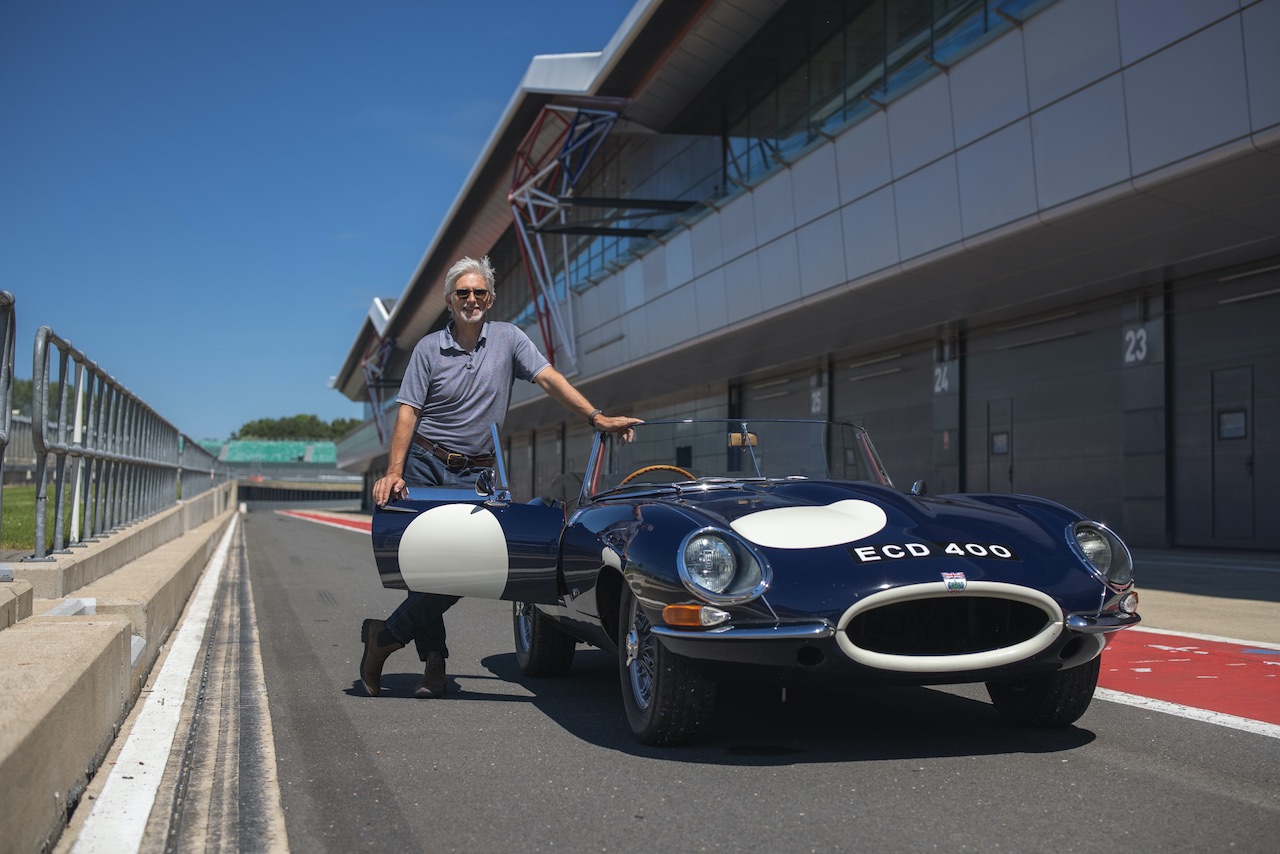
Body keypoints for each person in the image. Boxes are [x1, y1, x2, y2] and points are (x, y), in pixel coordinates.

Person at [360, 255, 640, 699]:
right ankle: (434, 665)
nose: (472, 299)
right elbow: (408, 411)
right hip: (427, 466)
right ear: (450, 301)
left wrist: (596, 416)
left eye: (479, 293)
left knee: (463, 569)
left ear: (489, 299)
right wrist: (394, 472)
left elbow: (549, 379)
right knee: (426, 570)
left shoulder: (509, 339)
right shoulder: (428, 350)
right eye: (463, 293)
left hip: (478, 476)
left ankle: (385, 636)